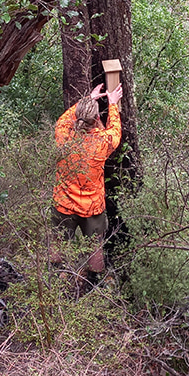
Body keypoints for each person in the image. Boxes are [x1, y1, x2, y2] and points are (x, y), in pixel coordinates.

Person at [52, 82, 123, 275]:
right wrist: (113, 104)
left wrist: (88, 100)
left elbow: (65, 118)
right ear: (97, 118)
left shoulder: (63, 135)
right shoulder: (102, 142)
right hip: (92, 207)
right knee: (95, 247)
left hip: (63, 203)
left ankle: (55, 277)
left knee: (58, 242)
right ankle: (95, 284)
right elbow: (115, 130)